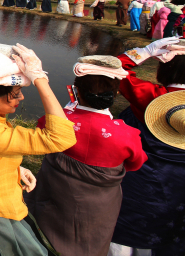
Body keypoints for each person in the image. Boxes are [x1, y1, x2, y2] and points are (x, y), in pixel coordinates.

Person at [0, 41, 77, 256]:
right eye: (15, 93)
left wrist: (14, 168)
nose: (20, 97)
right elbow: (62, 138)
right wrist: (40, 79)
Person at [25, 55, 147, 256]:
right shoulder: (127, 134)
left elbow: (42, 135)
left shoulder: (58, 122)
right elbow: (135, 163)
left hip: (53, 193)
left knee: (43, 235)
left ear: (76, 91)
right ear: (114, 94)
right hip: (99, 207)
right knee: (92, 240)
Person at [109, 38, 185, 255]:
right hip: (178, 185)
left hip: (141, 180)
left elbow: (112, 69)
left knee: (125, 233)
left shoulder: (153, 97)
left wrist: (144, 52)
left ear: (164, 69)